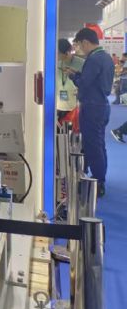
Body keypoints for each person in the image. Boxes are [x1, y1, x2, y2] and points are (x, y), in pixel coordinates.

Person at [65, 28, 114, 197]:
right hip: (101, 105)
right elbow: (94, 80)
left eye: (79, 45)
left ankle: (98, 182)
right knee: (98, 144)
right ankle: (100, 178)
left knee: (93, 145)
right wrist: (79, 74)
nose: (80, 49)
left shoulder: (93, 59)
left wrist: (73, 76)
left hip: (92, 107)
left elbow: (84, 83)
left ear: (85, 42)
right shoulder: (105, 57)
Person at [57, 39, 83, 124]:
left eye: (59, 53)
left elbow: (87, 83)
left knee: (73, 128)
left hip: (75, 104)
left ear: (67, 52)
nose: (57, 55)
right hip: (59, 104)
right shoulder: (57, 63)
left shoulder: (81, 63)